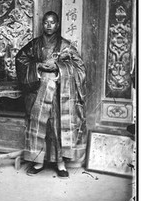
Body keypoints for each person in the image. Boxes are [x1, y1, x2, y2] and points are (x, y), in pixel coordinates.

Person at [15, 11, 87, 178]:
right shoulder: (34, 45)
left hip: (58, 94)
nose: (49, 25)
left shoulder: (65, 46)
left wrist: (59, 68)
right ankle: (38, 161)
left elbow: (80, 67)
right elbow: (21, 59)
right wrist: (39, 66)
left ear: (58, 24)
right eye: (46, 22)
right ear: (43, 24)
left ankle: (60, 163)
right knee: (40, 126)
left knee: (57, 128)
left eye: (52, 22)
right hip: (38, 92)